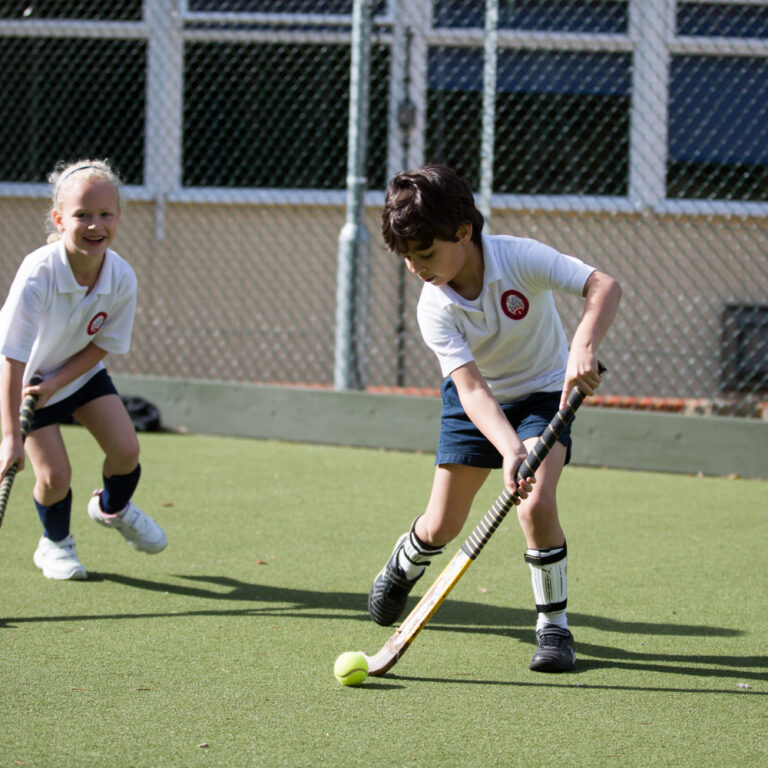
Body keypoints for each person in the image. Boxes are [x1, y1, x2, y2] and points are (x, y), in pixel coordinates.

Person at [368, 165, 621, 672]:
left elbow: (603, 286)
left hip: (545, 395)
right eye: (407, 259)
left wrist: (583, 345)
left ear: (463, 232)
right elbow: (471, 388)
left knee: (535, 505)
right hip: (477, 402)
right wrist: (509, 448)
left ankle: (554, 629)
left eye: (425, 254)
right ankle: (406, 561)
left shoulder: (520, 257)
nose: (416, 268)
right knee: (443, 524)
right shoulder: (433, 306)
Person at [0, 159, 167, 580]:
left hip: (76, 375)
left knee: (126, 450)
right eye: (82, 215)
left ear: (118, 217)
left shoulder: (122, 276)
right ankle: (54, 544)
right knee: (55, 477)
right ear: (60, 218)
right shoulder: (39, 272)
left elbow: (103, 345)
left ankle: (112, 508)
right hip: (24, 381)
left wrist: (59, 382)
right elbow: (12, 355)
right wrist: (8, 438)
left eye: (105, 215)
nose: (95, 225)